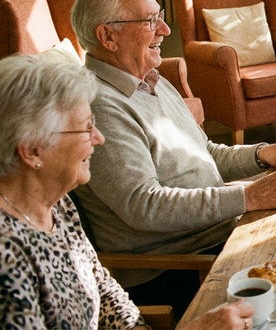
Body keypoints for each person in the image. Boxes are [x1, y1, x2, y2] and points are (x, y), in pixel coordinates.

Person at [69, 0, 276, 317]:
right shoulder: (99, 106)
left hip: (217, 234)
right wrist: (250, 196)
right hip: (176, 268)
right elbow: (143, 205)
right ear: (107, 36)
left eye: (160, 15)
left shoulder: (150, 80)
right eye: (150, 21)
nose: (165, 30)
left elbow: (205, 152)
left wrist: (261, 154)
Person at [0, 51, 256, 330]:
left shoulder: (57, 207)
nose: (99, 139)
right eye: (86, 129)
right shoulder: (7, 255)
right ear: (32, 150)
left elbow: (106, 295)